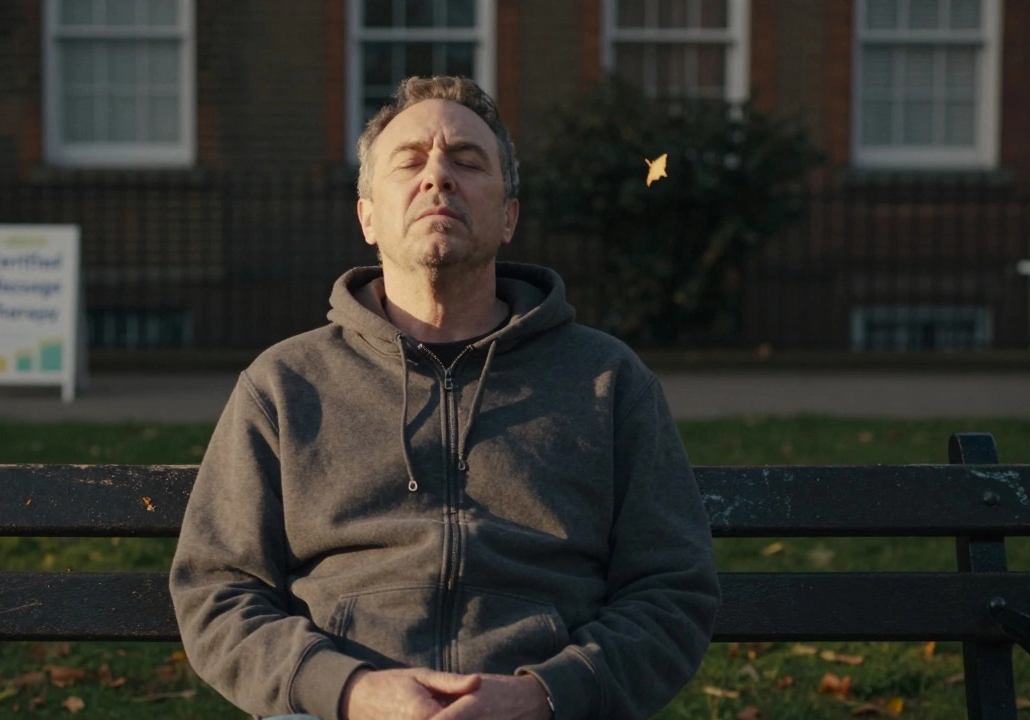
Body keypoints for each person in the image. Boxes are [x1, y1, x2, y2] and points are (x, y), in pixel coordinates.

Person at [170, 75, 720, 720]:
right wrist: (347, 690)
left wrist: (544, 696)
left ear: (508, 214)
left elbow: (672, 590)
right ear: (367, 215)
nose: (438, 177)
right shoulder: (286, 383)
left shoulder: (607, 378)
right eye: (410, 161)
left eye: (466, 160)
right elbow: (217, 589)